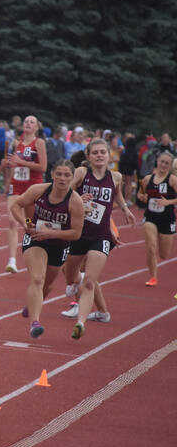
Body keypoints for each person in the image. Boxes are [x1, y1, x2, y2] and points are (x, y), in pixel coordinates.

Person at [62, 138, 136, 339]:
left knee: (89, 281)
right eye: (95, 152)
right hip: (78, 233)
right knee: (70, 274)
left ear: (109, 155)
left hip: (101, 235)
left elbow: (117, 194)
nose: (99, 155)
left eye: (103, 152)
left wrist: (126, 209)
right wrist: (78, 200)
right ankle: (75, 283)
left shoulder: (116, 176)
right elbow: (64, 192)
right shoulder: (82, 173)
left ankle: (80, 323)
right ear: (88, 156)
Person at [10, 160, 84, 338]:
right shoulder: (38, 190)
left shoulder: (75, 202)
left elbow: (76, 233)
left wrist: (50, 233)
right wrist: (26, 223)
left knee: (47, 284)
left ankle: (33, 303)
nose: (62, 178)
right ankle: (35, 323)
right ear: (52, 175)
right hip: (35, 239)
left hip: (59, 245)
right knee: (37, 278)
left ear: (72, 177)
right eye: (59, 174)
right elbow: (16, 205)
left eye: (67, 175)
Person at [2, 115, 47, 273]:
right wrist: (8, 165)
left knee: (30, 222)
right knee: (11, 221)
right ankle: (12, 260)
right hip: (16, 186)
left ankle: (38, 252)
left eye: (31, 122)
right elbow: (14, 164)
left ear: (36, 127)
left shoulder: (39, 143)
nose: (28, 123)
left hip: (32, 187)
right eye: (26, 121)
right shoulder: (17, 143)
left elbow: (43, 167)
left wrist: (21, 162)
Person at [137, 151, 177, 286]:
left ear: (170, 166)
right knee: (151, 247)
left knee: (164, 254)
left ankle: (162, 241)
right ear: (157, 162)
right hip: (151, 218)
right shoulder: (147, 179)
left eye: (167, 163)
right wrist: (142, 197)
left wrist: (168, 202)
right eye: (162, 162)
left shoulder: (172, 180)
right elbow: (140, 193)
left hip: (167, 219)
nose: (164, 165)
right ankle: (153, 277)